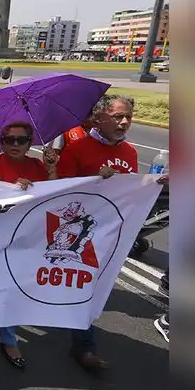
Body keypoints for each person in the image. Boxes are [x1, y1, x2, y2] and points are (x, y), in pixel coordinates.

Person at [55, 94, 145, 372]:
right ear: (98, 118)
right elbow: (61, 191)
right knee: (72, 283)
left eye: (127, 116)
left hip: (111, 233)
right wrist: (95, 181)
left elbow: (132, 191)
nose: (124, 122)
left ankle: (83, 345)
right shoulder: (78, 149)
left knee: (89, 287)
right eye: (117, 116)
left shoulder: (130, 152)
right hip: (77, 233)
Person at [0, 122, 59, 370]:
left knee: (26, 288)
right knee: (7, 289)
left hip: (33, 239)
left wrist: (51, 171)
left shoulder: (38, 166)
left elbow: (56, 198)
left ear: (31, 143)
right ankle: (8, 340)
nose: (15, 145)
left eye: (21, 140)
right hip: (2, 242)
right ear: (2, 142)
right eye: (10, 140)